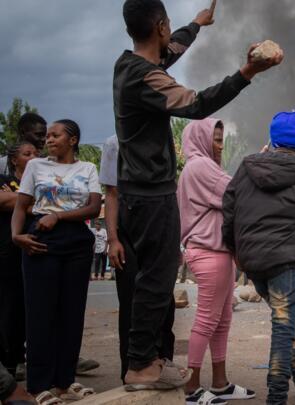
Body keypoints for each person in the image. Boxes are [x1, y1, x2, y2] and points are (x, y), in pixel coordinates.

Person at [114, 0, 282, 390]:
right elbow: (198, 104)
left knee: (154, 280)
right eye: (169, 25)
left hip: (140, 191)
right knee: (156, 281)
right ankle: (140, 365)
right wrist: (248, 72)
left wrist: (196, 24)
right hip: (151, 192)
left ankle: (149, 359)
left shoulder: (129, 65)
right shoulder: (145, 78)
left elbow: (167, 53)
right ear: (159, 26)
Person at [222, 111, 295, 405]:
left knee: (284, 323)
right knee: (283, 326)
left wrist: (236, 250)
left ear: (272, 139)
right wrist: (293, 235)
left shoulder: (247, 166)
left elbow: (229, 211)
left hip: (252, 259)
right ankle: (276, 398)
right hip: (284, 259)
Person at [11, 119, 101, 402]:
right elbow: (21, 205)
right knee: (40, 314)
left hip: (76, 240)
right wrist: (16, 236)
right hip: (41, 238)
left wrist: (59, 215)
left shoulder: (87, 168)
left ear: (72, 140)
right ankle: (39, 386)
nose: (48, 139)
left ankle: (64, 381)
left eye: (55, 135)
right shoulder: (36, 167)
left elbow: (94, 207)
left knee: (71, 314)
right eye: (47, 135)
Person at [177, 118, 255, 404]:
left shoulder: (203, 166)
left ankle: (220, 383)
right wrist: (258, 168)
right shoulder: (200, 166)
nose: (220, 146)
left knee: (222, 320)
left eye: (222, 140)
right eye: (216, 139)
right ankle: (192, 388)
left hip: (217, 253)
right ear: (200, 139)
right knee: (207, 320)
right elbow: (237, 192)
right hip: (210, 252)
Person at [99, 134, 176, 384]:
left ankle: (164, 362)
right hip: (129, 233)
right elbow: (111, 193)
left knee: (165, 301)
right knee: (132, 304)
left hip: (160, 229)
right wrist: (113, 239)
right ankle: (133, 369)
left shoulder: (163, 138)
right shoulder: (115, 143)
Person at [0, 142, 38, 379]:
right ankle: (8, 362)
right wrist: (31, 202)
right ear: (14, 160)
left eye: (36, 153)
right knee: (8, 308)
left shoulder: (43, 179)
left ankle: (24, 357)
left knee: (30, 307)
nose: (34, 157)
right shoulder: (3, 179)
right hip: (7, 253)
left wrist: (22, 203)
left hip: (35, 250)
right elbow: (4, 201)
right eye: (27, 154)